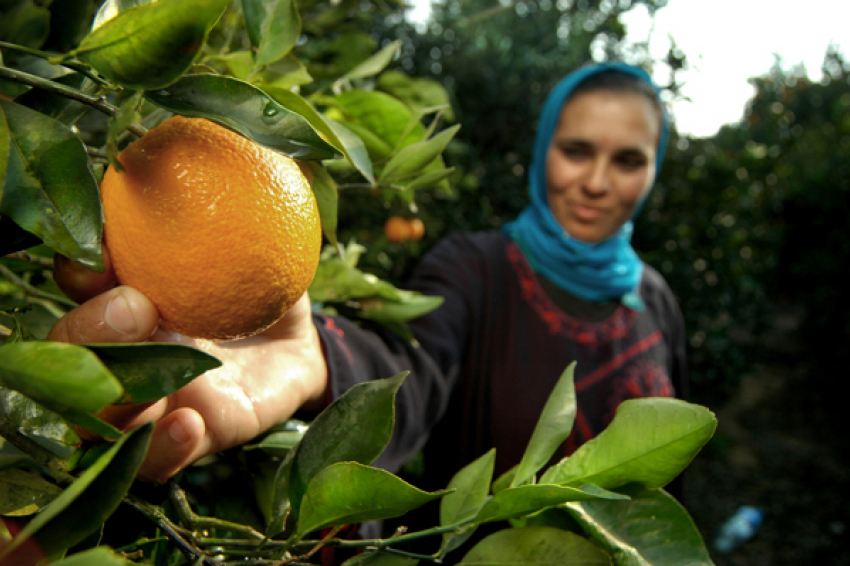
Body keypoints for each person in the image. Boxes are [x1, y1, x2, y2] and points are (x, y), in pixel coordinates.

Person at [49, 61, 686, 490]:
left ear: (655, 168)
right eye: (577, 150)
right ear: (545, 147)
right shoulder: (476, 268)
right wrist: (313, 358)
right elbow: (413, 375)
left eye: (628, 160)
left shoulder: (657, 300)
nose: (597, 182)